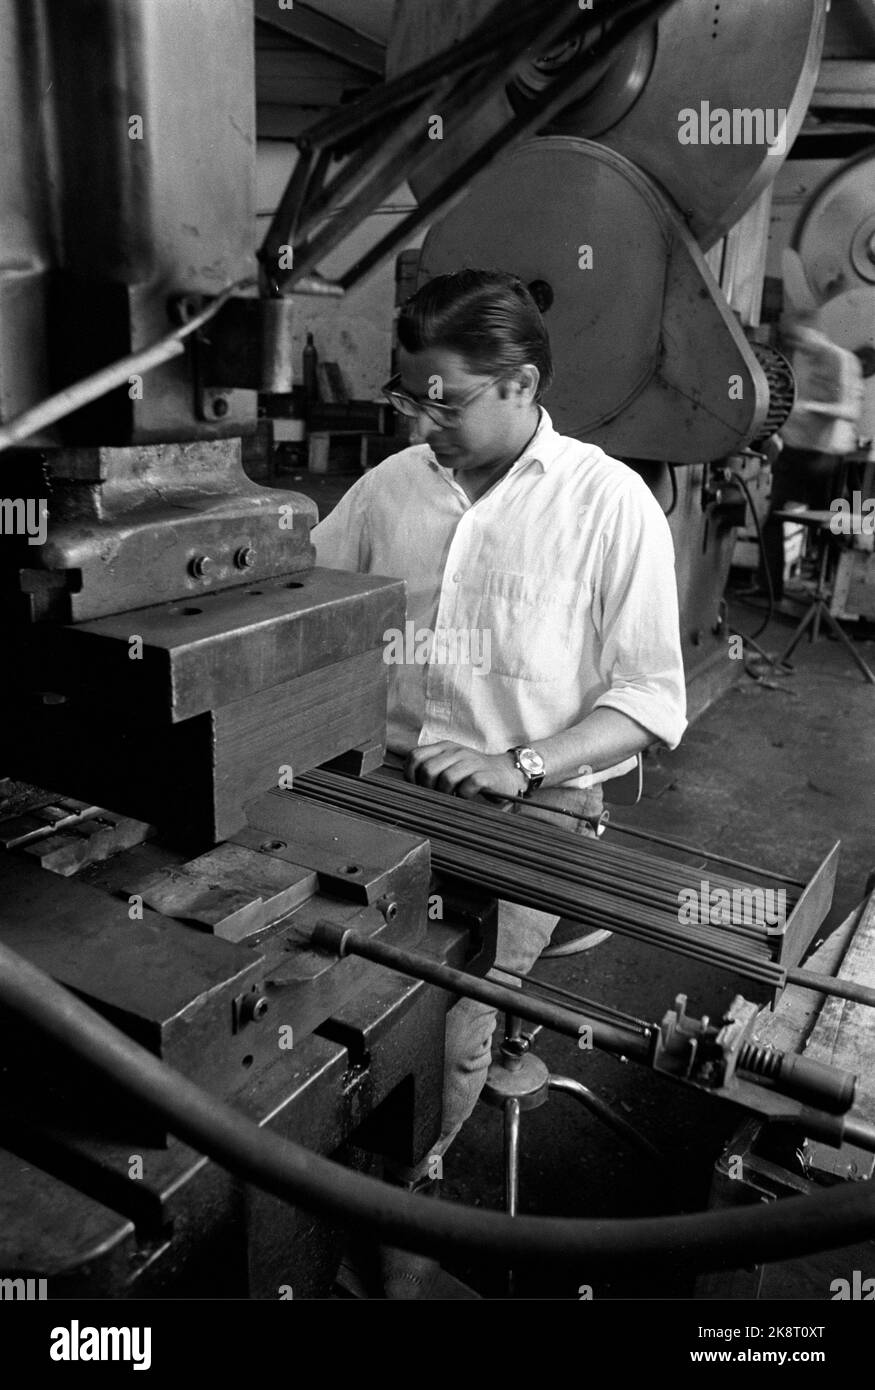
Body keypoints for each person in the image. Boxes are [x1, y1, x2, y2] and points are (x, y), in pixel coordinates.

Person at [311, 268, 687, 1295]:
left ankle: (401, 1249)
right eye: (406, 395)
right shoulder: (391, 488)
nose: (421, 417)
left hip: (529, 810)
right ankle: (317, 1205)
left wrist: (515, 761)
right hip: (377, 788)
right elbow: (303, 597)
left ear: (520, 384)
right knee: (317, 1000)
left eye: (444, 397)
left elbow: (650, 702)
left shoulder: (605, 503)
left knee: (445, 1031)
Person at [760, 312, 863, 600]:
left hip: (823, 458)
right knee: (773, 522)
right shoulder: (805, 358)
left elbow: (848, 410)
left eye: (800, 339)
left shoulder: (840, 360)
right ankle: (769, 591)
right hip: (795, 452)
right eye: (793, 342)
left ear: (816, 332)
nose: (798, 347)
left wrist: (811, 407)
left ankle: (838, 593)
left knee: (832, 528)